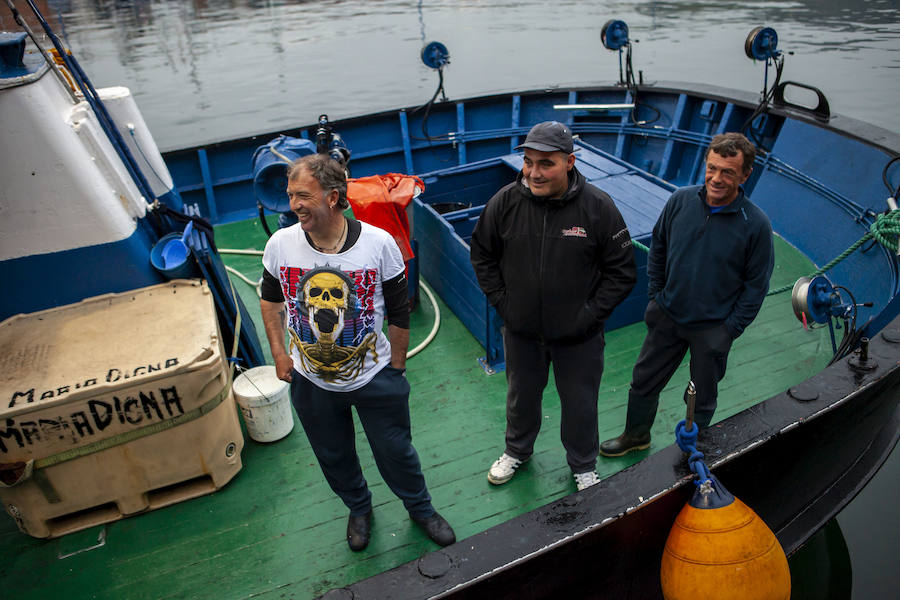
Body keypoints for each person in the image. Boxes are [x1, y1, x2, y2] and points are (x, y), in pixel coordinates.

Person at [259, 153, 455, 551]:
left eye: (303, 195)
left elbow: (399, 312)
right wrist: (280, 354)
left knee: (396, 452)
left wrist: (395, 367)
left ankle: (420, 509)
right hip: (310, 382)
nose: (294, 205)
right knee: (333, 455)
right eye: (291, 195)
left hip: (374, 377)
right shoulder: (281, 244)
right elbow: (271, 300)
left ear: (333, 197)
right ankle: (359, 508)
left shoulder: (378, 244)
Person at [469, 121, 637, 491]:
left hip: (579, 338)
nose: (534, 173)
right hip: (522, 332)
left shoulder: (598, 207)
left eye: (546, 163)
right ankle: (517, 450)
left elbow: (622, 272)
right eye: (529, 162)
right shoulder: (504, 203)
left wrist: (587, 317)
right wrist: (504, 304)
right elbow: (482, 255)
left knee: (580, 404)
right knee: (520, 398)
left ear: (569, 162)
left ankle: (583, 465)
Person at [600, 132, 775, 457]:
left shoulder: (756, 225)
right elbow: (659, 246)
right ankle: (636, 436)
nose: (716, 178)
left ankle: (694, 449)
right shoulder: (680, 200)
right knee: (643, 381)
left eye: (728, 172)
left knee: (702, 394)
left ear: (745, 175)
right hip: (668, 314)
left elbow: (756, 286)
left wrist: (729, 331)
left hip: (712, 327)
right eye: (712, 168)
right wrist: (656, 297)